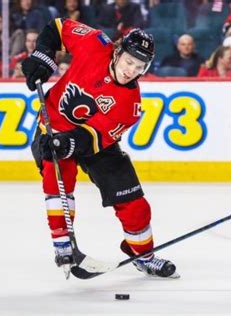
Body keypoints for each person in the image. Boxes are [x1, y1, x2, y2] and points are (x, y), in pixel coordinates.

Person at [21, 18, 179, 278]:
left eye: (139, 67)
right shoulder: (94, 43)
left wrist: (68, 143)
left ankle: (143, 255)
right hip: (54, 128)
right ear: (117, 51)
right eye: (129, 61)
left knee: (133, 202)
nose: (131, 70)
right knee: (57, 178)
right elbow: (58, 27)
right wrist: (44, 56)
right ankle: (63, 245)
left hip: (94, 141)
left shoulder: (130, 104)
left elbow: (92, 137)